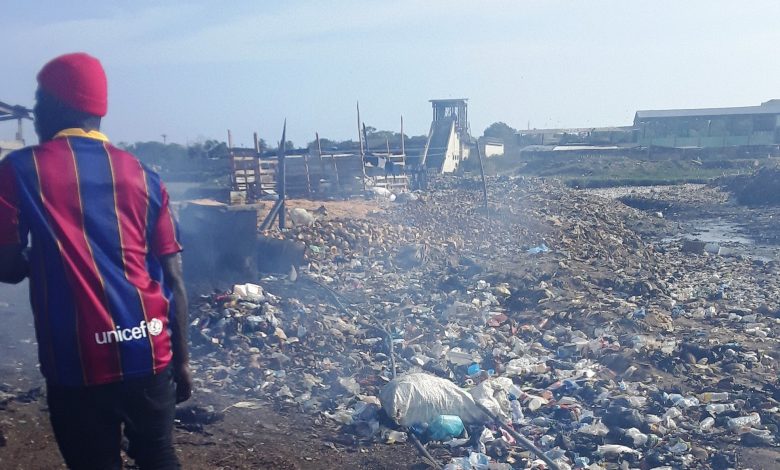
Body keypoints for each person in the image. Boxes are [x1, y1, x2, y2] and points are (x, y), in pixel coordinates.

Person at [0, 52, 192, 469]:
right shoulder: (145, 175)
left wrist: (47, 256)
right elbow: (174, 280)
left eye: (37, 103)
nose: (34, 115)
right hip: (150, 349)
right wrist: (182, 362)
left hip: (77, 363)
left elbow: (7, 267)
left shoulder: (19, 169)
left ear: (54, 106)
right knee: (159, 455)